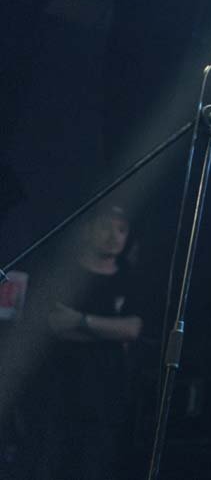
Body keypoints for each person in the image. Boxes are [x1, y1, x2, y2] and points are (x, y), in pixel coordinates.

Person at [26, 204, 144, 480]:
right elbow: (54, 325)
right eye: (106, 227)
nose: (114, 236)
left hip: (105, 400)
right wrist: (106, 330)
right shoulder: (64, 273)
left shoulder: (130, 278)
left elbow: (132, 329)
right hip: (57, 394)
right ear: (87, 229)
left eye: (121, 229)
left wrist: (81, 321)